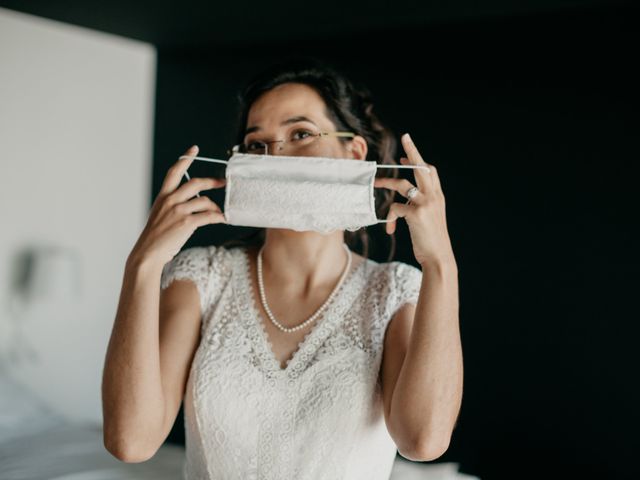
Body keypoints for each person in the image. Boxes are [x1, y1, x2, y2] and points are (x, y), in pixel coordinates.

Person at [101, 56, 462, 480]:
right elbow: (130, 441)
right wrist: (142, 266)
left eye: (301, 133)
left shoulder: (394, 291)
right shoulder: (200, 279)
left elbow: (423, 440)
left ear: (355, 153)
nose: (276, 156)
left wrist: (440, 263)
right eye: (257, 145)